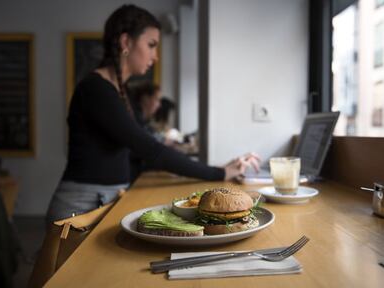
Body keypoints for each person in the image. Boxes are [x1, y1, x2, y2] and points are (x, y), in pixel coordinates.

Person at [46, 4, 260, 223]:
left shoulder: (123, 91)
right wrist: (219, 173)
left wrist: (221, 169)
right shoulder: (96, 89)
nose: (155, 56)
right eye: (151, 45)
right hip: (80, 209)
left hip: (106, 199)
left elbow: (144, 151)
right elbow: (150, 149)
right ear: (126, 42)